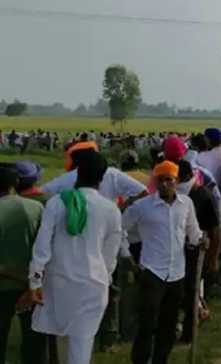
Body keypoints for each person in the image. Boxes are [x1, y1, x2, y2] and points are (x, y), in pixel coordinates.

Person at [27, 151, 123, 364]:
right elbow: (110, 256)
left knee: (61, 339)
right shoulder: (111, 210)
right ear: (103, 177)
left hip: (58, 284)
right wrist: (105, 279)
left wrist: (34, 281)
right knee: (81, 344)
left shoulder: (56, 203)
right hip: (93, 285)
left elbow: (42, 247)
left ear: (77, 173)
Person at [123, 160, 202, 364]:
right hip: (152, 272)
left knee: (168, 324)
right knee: (147, 324)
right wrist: (127, 256)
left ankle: (161, 360)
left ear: (176, 181)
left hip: (177, 273)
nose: (166, 184)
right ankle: (140, 360)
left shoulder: (186, 204)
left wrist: (202, 240)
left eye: (170, 180)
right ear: (156, 183)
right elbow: (119, 230)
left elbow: (193, 233)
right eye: (162, 180)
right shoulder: (143, 206)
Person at [0, 164, 47, 364]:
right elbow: (45, 249)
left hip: (3, 284)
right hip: (32, 286)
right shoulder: (36, 208)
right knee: (34, 340)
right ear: (16, 183)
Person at [176, 160, 221, 343]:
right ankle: (199, 314)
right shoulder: (177, 195)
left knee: (191, 291)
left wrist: (214, 258)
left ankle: (189, 333)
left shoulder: (202, 195)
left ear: (184, 177)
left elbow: (216, 229)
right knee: (186, 292)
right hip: (179, 251)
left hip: (197, 251)